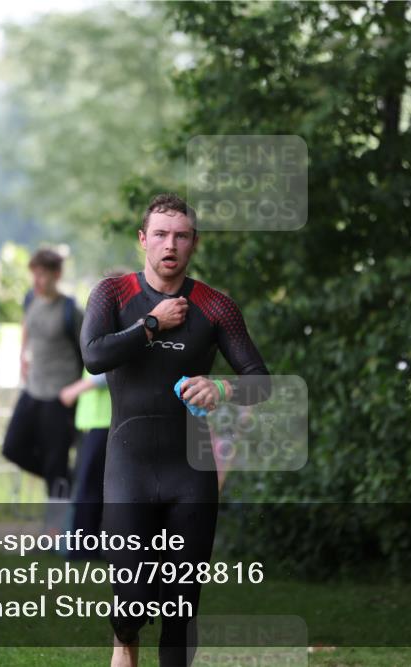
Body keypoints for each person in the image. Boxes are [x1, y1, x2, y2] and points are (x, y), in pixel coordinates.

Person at [81, 194, 271, 667]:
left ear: (194, 244)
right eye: (161, 235)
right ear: (143, 240)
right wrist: (152, 323)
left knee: (180, 608)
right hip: (129, 467)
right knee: (127, 608)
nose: (171, 245)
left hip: (190, 473)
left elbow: (260, 382)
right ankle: (124, 641)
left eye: (181, 236)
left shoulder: (215, 307)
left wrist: (221, 389)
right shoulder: (114, 294)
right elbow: (94, 356)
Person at [2, 247, 84, 498]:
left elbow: (90, 354)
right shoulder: (31, 299)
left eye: (42, 275)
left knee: (55, 465)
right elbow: (28, 323)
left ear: (57, 275)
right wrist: (22, 353)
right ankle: (71, 483)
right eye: (34, 274)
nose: (36, 280)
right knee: (12, 448)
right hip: (32, 389)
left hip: (60, 397)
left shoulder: (71, 311)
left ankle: (58, 533)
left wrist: (78, 390)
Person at [59, 269, 128, 560]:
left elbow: (106, 367)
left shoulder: (122, 327)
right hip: (93, 421)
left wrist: (76, 388)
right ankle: (88, 546)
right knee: (89, 485)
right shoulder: (107, 323)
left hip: (105, 421)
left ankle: (82, 550)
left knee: (90, 486)